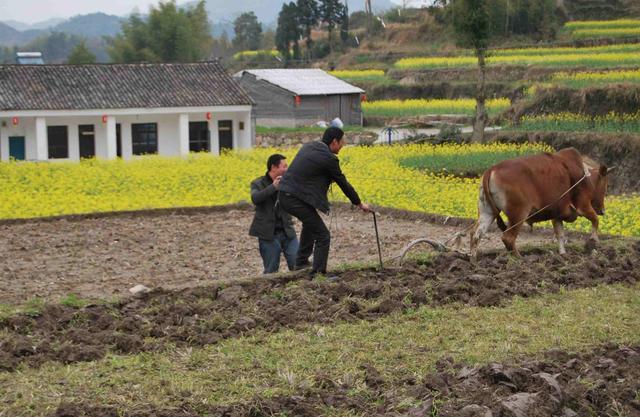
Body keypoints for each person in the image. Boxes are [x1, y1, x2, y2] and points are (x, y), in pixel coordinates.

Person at [279, 125, 372, 278]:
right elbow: (343, 183)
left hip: (286, 194)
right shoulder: (329, 159)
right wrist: (359, 203)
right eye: (342, 142)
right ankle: (318, 274)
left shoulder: (310, 146)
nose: (343, 145)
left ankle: (301, 262)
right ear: (334, 142)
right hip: (294, 198)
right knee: (323, 235)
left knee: (310, 225)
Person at [249, 154, 299, 274]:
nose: (287, 169)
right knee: (271, 270)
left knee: (298, 265)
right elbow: (255, 198)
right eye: (284, 166)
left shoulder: (287, 182)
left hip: (287, 231)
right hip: (268, 234)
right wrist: (273, 187)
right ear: (273, 167)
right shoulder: (258, 183)